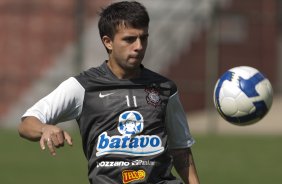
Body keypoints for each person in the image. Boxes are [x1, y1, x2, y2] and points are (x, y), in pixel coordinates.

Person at [18, 1, 200, 184]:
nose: (139, 46)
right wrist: (44, 128)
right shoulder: (83, 87)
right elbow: (27, 123)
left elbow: (180, 149)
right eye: (129, 39)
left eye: (143, 38)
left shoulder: (165, 88)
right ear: (108, 42)